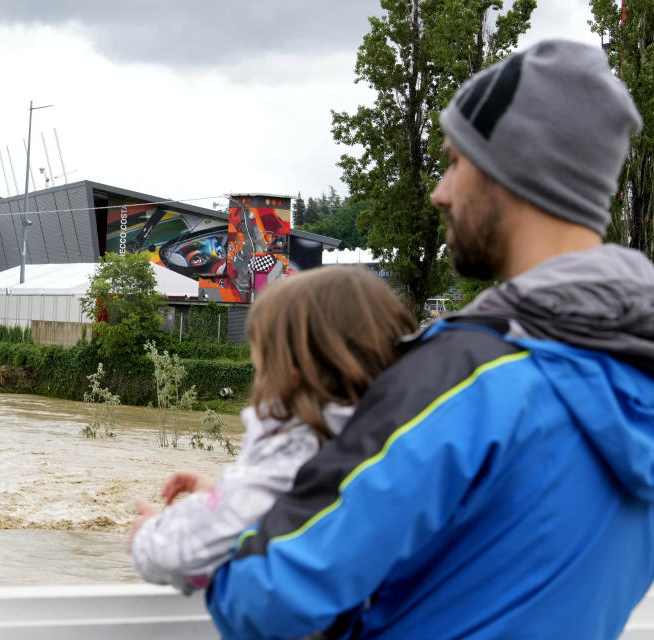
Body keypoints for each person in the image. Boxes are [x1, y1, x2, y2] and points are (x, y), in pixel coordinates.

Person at [206, 39, 654, 640]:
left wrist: (208, 531)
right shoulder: (636, 374)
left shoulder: (464, 381)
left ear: (512, 172)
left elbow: (270, 595)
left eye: (455, 162)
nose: (440, 192)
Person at [128, 266, 416, 595]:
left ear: (290, 373)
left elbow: (175, 558)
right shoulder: (395, 439)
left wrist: (150, 533)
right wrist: (217, 496)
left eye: (261, 365)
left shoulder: (295, 452)